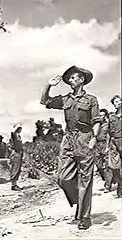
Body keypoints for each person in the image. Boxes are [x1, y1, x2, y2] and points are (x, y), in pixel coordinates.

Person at [41, 66, 100, 230]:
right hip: (68, 140)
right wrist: (48, 85)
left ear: (81, 79)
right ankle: (79, 203)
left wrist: (94, 138)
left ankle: (85, 216)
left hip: (85, 139)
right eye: (69, 79)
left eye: (73, 78)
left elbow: (96, 121)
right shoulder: (66, 99)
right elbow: (45, 101)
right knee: (63, 178)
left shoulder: (91, 100)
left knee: (86, 180)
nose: (70, 81)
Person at [107, 95, 122, 198]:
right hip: (114, 143)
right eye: (116, 102)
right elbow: (108, 132)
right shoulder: (111, 117)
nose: (118, 103)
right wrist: (108, 145)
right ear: (114, 105)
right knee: (114, 166)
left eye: (119, 101)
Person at [8, 123, 23, 191]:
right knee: (15, 168)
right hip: (16, 153)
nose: (20, 130)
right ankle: (13, 185)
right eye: (19, 128)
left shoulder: (18, 136)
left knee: (18, 169)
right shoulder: (14, 135)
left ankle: (15, 184)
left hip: (19, 153)